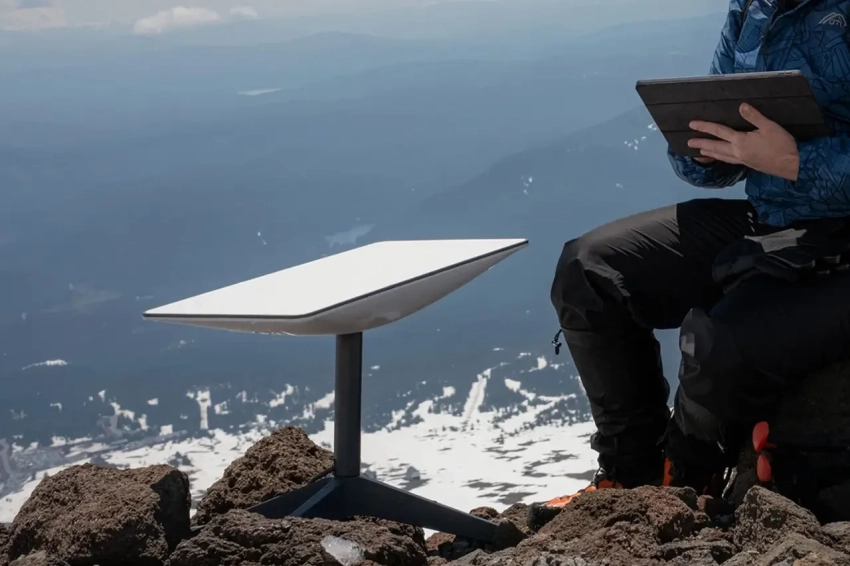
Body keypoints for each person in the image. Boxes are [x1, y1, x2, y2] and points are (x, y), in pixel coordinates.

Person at [533, 0, 850, 515]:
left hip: (841, 240)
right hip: (773, 221)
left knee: (719, 343)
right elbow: (708, 158)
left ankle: (681, 487)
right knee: (588, 270)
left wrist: (795, 161)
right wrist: (702, 148)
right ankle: (629, 474)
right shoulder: (753, 7)